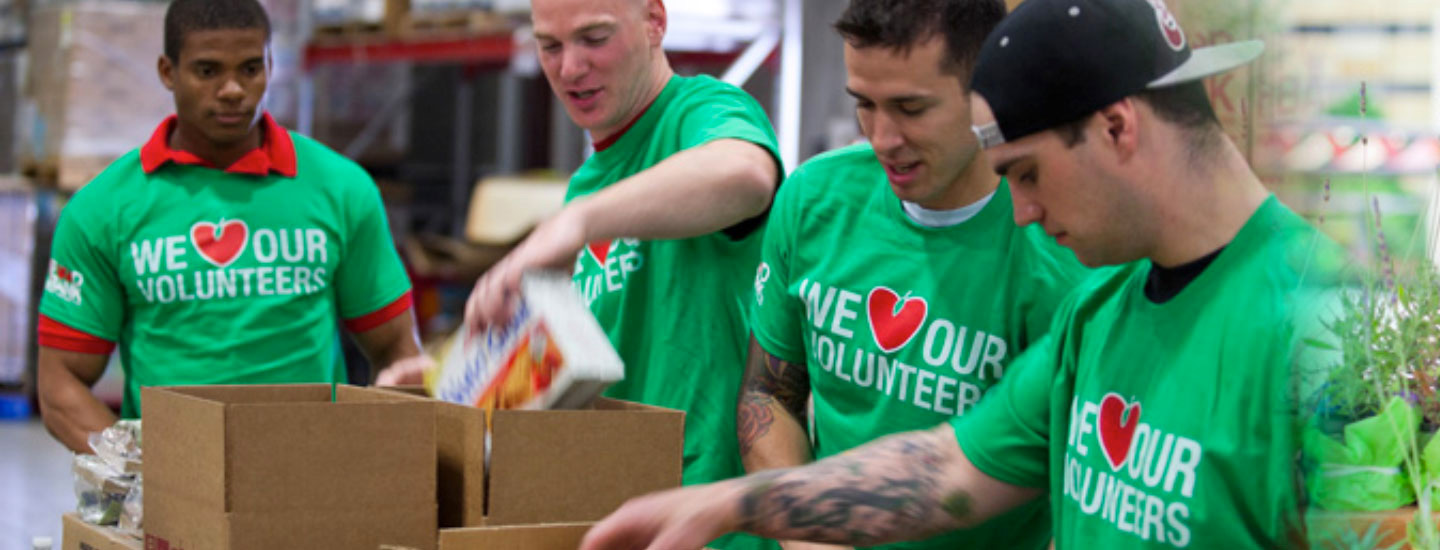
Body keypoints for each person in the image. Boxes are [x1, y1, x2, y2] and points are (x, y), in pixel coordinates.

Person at [580, 0, 1337, 548]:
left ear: (1116, 127)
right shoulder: (1100, 313)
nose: (1022, 211)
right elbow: (944, 468)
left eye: (1029, 174)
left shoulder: (1334, 336)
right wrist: (734, 504)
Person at [739, 1, 1090, 549]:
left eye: (910, 108)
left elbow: (1073, 482)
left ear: (985, 93)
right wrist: (807, 534)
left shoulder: (1057, 250)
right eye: (865, 104)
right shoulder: (814, 200)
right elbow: (768, 396)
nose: (882, 137)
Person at [37, 0, 429, 454]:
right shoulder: (102, 210)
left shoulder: (341, 190)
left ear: (269, 64)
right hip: (171, 494)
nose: (232, 90)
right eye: (207, 71)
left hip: (317, 482)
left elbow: (398, 349)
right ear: (168, 72)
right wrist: (142, 478)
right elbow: (60, 385)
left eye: (249, 69)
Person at [461, 1, 783, 548]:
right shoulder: (588, 185)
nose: (569, 69)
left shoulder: (701, 112)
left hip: (712, 522)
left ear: (655, 21)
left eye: (594, 38)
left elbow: (746, 174)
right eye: (551, 46)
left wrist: (577, 222)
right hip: (622, 516)